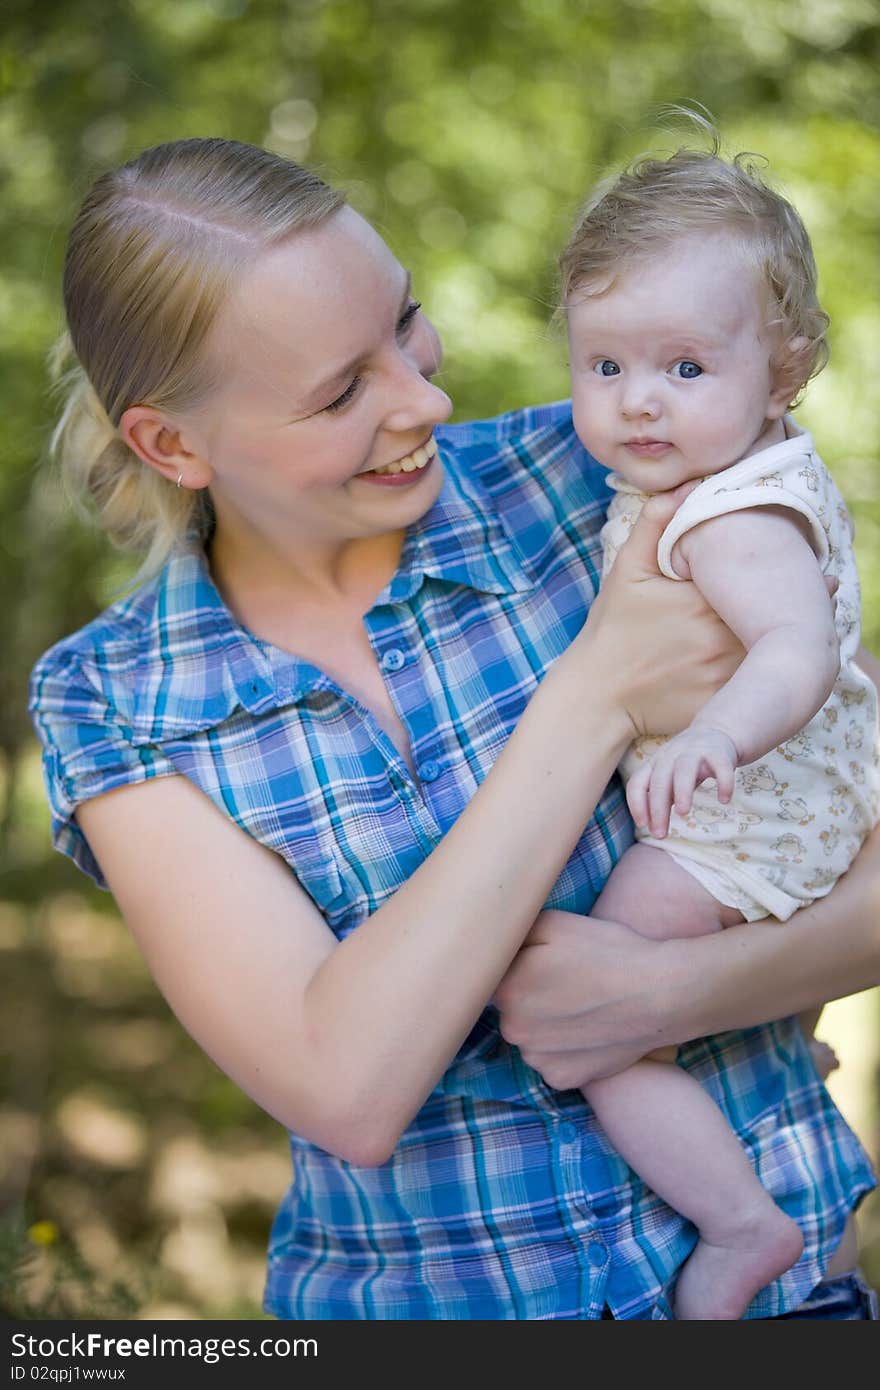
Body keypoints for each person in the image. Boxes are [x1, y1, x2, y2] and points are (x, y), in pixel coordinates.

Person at [28, 137, 879, 1320]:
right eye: (340, 390)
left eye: (406, 322)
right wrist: (592, 697)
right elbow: (346, 1083)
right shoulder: (114, 700)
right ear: (173, 444)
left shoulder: (607, 473)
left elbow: (852, 788)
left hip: (783, 1309)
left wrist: (684, 990)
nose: (425, 395)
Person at [553, 136, 880, 1319]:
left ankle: (741, 1224)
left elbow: (792, 649)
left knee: (586, 1008)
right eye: (604, 364)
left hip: (760, 801)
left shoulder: (723, 517)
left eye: (684, 366)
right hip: (826, 783)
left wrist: (711, 742)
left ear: (783, 368)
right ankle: (787, 1044)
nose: (637, 398)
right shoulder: (753, 462)